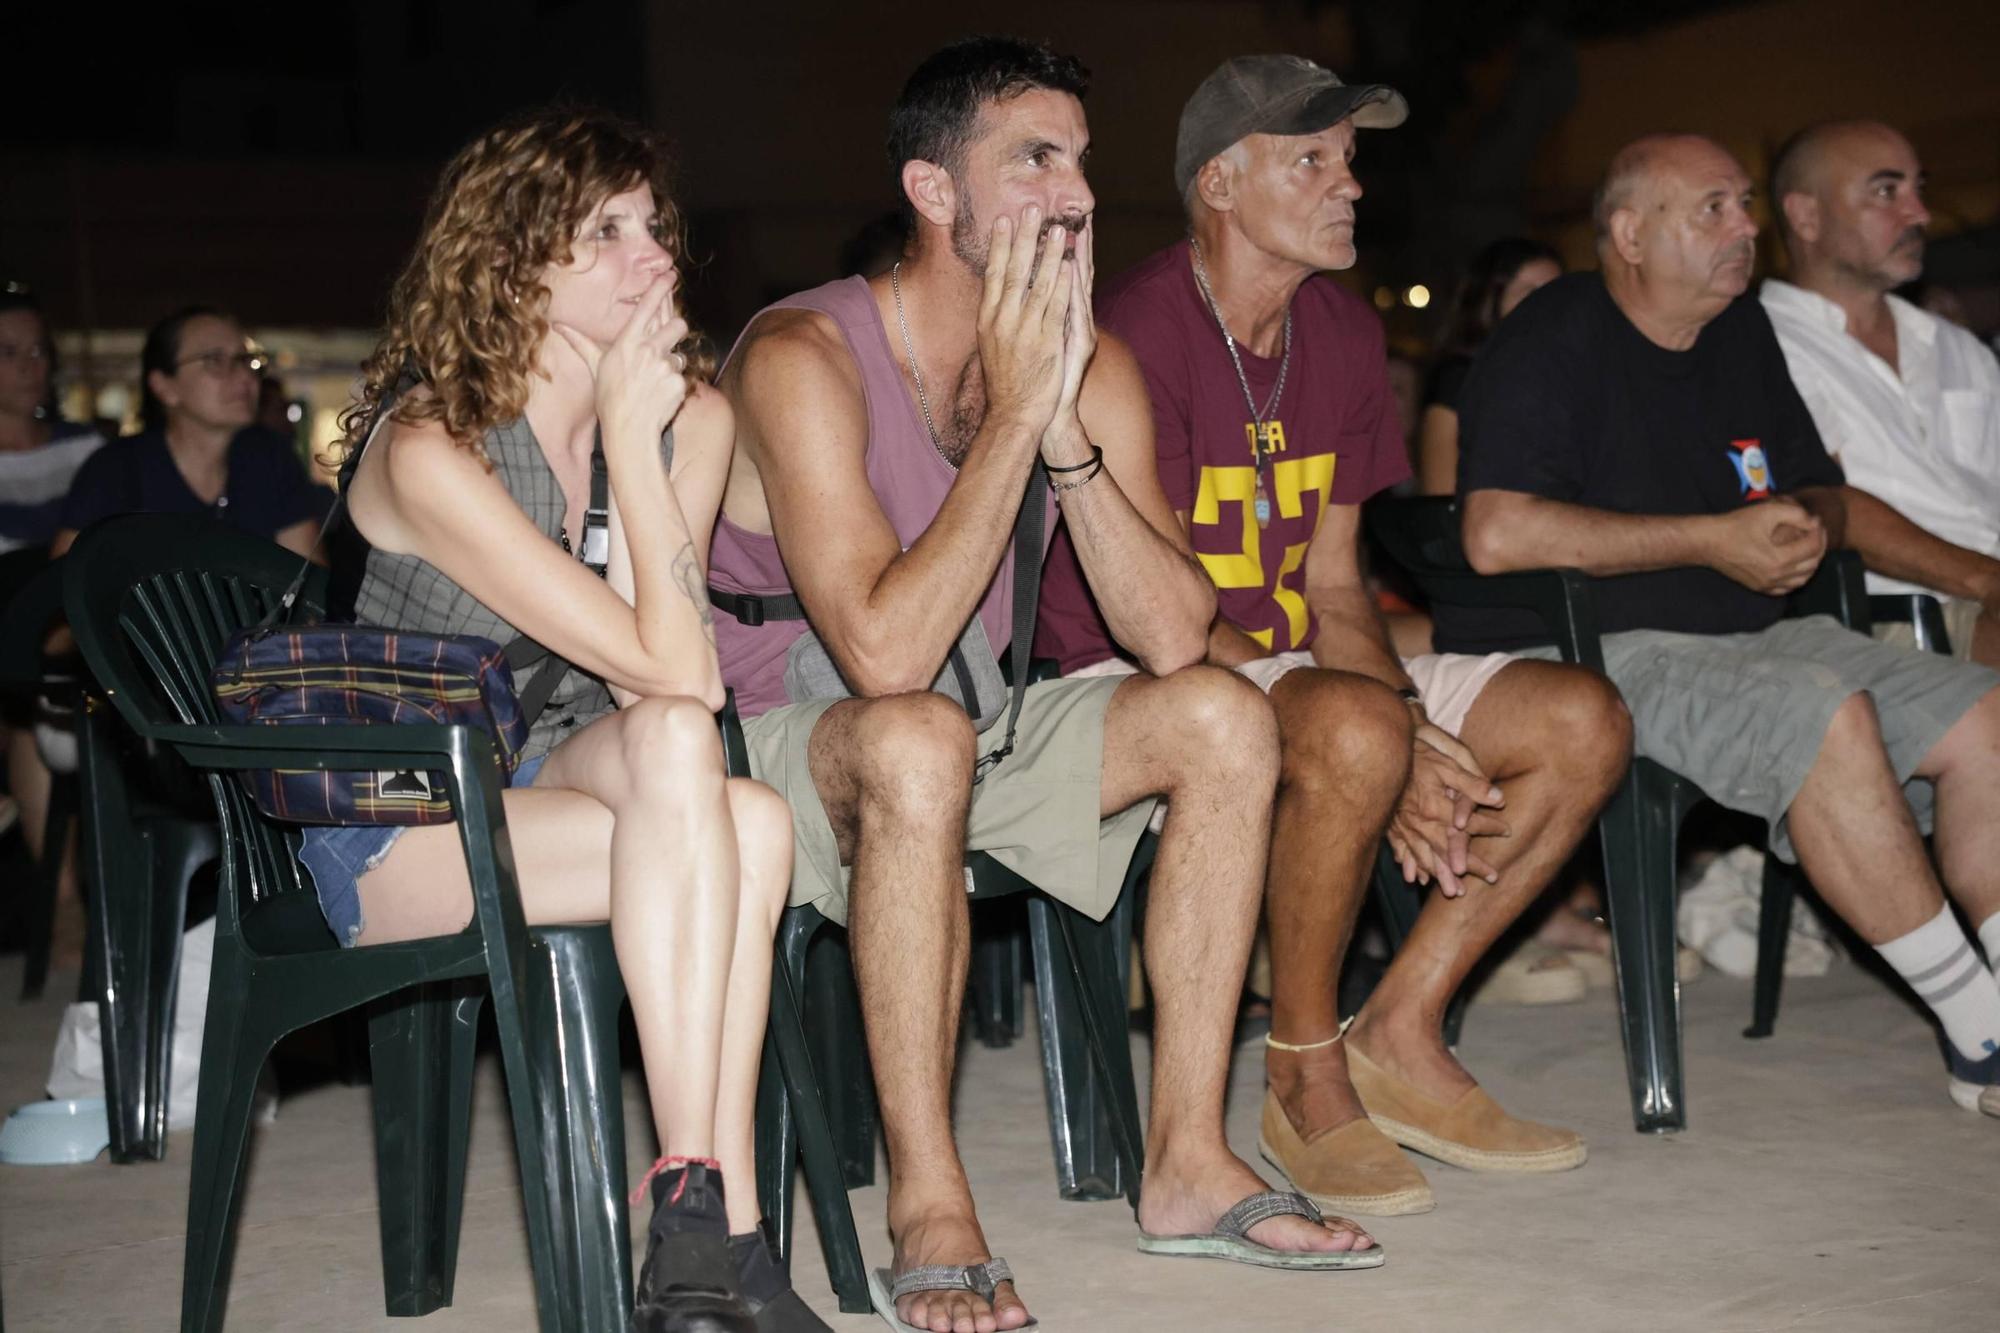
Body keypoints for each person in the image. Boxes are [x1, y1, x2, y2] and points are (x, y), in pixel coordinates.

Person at [712, 36, 1380, 1333]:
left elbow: (1179, 634)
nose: (1072, 193)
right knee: (913, 739)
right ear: (934, 191)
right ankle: (931, 1204)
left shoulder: (1090, 364)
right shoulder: (805, 356)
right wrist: (1014, 418)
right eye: (1032, 161)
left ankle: (1187, 1159)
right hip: (789, 746)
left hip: (980, 723)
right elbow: (884, 659)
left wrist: (1062, 432)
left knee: (1223, 718)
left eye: (1079, 159)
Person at [1035, 54, 1624, 1221]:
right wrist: (1376, 733)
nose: (1346, 184)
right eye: (1309, 160)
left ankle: (1398, 1028)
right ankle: (1300, 1068)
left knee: (1579, 719)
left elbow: (1333, 581)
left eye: (1348, 160)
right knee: (1354, 726)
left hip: (1294, 661)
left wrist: (1404, 720)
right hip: (1134, 675)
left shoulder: (1343, 337)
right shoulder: (1133, 333)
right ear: (1218, 182)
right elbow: (1161, 624)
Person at [323, 108, 816, 1330]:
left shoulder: (692, 419)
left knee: (706, 777)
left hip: (558, 777)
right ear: (508, 260)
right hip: (401, 821)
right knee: (734, 828)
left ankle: (700, 1222)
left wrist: (652, 437)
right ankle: (730, 1247)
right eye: (604, 232)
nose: (653, 257)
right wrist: (636, 462)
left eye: (653, 227)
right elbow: (674, 659)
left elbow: (675, 691)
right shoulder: (433, 447)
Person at [1446, 132, 2000, 1122]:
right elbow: (1493, 533)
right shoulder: (1553, 333)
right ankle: (1980, 1028)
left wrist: (1798, 528)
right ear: (1626, 232)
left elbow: (1820, 491)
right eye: (1711, 209)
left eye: (1743, 205)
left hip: (1752, 639)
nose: (1743, 228)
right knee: (1819, 712)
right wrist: (1710, 541)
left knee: (1984, 714)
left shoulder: (1740, 334)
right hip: (1589, 656)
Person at [1762, 119, 2000, 668]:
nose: (1920, 214)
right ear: (1806, 216)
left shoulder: (1953, 345)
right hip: (1893, 623)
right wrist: (1990, 580)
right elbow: (1825, 505)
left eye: (1920, 189)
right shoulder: (1762, 349)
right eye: (1887, 192)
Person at [0, 285, 105, 955]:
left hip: (59, 644)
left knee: (37, 703)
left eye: (38, 349)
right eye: (8, 352)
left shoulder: (89, 449)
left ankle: (64, 900)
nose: (29, 365)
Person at [53, 307, 327, 560]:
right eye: (215, 360)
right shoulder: (115, 470)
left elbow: (307, 589)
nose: (246, 377)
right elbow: (62, 594)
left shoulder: (271, 457)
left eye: (246, 360)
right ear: (164, 387)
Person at [1414, 237, 1562, 497]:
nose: (1550, 305)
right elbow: (1439, 498)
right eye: (1531, 294)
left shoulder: (1569, 377)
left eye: (1558, 292)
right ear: (1490, 300)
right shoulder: (1458, 381)